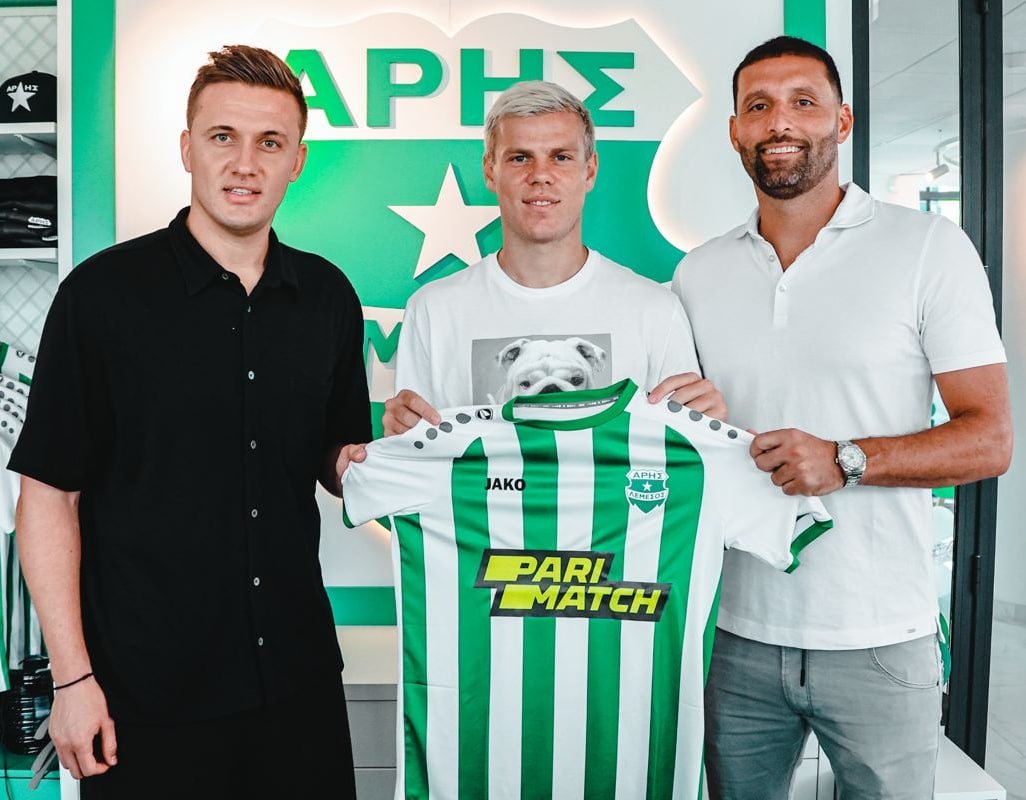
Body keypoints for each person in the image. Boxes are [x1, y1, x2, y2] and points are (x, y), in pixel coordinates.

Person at [9, 45, 369, 799]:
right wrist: (71, 678)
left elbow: (337, 461)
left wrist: (389, 452)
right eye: (222, 137)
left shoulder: (329, 297)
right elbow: (47, 496)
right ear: (186, 148)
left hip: (297, 686)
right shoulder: (100, 296)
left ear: (297, 161)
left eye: (269, 142)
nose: (245, 164)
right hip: (144, 698)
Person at [672, 36, 1012, 800]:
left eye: (804, 102)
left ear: (843, 120)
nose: (780, 122)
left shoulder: (928, 248)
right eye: (759, 106)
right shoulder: (698, 273)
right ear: (734, 130)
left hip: (880, 639)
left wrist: (846, 459)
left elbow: (991, 439)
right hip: (733, 636)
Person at [341, 79, 723, 457]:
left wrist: (707, 430)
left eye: (561, 157)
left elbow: (688, 459)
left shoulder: (656, 311)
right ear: (490, 171)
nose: (540, 175)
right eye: (520, 157)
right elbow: (419, 461)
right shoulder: (433, 311)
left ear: (590, 170)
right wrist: (402, 438)